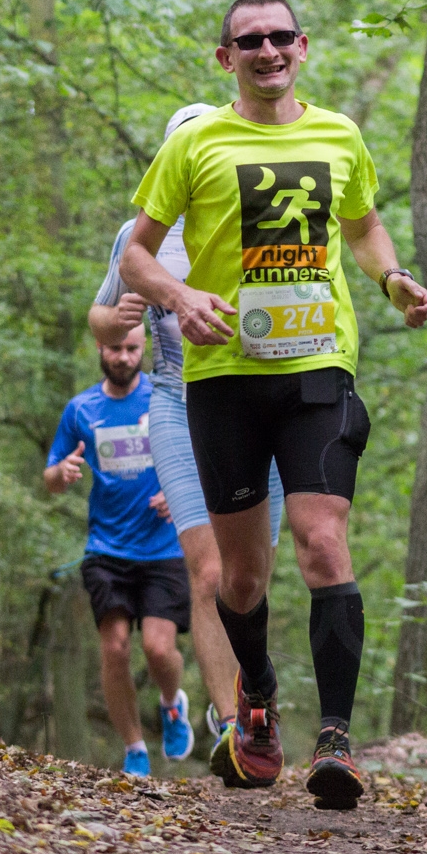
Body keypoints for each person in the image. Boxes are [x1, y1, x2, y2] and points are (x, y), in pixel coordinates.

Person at [119, 0, 427, 809]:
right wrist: (181, 298)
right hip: (223, 376)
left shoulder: (340, 134)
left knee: (322, 538)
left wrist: (392, 277)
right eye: (249, 41)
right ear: (226, 58)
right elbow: (137, 259)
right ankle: (256, 700)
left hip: (318, 364)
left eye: (281, 38)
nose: (268, 51)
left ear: (303, 46)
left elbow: (363, 228)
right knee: (242, 576)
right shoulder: (195, 143)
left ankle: (337, 737)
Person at [88, 103, 287, 780]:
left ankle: (251, 698)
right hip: (176, 403)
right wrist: (116, 316)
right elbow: (100, 313)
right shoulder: (139, 235)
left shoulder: (258, 220)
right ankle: (235, 728)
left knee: (246, 576)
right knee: (206, 573)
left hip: (263, 405)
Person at [44, 325, 195, 776]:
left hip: (164, 549)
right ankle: (134, 748)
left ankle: (171, 703)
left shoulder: (165, 400)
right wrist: (64, 471)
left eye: (132, 348)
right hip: (106, 548)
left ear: (143, 347)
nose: (124, 357)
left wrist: (179, 490)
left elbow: (201, 459)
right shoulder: (81, 409)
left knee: (157, 648)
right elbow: (50, 478)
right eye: (115, 349)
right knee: (114, 648)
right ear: (100, 348)